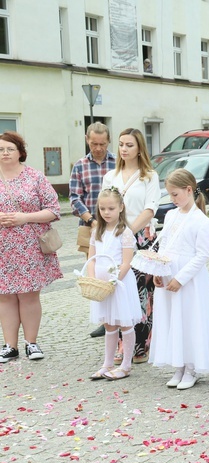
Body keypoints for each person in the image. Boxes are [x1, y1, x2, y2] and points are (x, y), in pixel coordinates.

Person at [148, 169, 209, 389]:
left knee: (190, 318)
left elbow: (202, 256)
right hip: (168, 272)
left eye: (175, 194)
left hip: (189, 280)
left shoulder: (202, 222)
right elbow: (164, 245)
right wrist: (158, 270)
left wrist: (181, 278)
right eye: (170, 195)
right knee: (173, 318)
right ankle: (178, 364)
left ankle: (192, 366)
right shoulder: (171, 215)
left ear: (189, 190)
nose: (172, 200)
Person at [0, 131, 63, 363]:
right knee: (4, 296)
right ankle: (9, 346)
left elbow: (54, 209)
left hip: (29, 248)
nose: (5, 153)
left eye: (9, 149)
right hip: (2, 249)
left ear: (20, 152)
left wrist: (24, 217)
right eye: (1, 149)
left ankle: (31, 343)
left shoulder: (34, 177)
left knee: (28, 296)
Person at [103, 128, 160, 365]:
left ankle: (141, 344)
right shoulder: (110, 176)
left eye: (129, 145)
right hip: (116, 237)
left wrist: (129, 231)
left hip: (141, 236)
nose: (124, 149)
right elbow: (104, 204)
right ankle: (120, 344)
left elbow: (150, 208)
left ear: (139, 149)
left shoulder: (149, 176)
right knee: (118, 289)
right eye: (121, 145)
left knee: (142, 292)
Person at [86, 187, 143, 381]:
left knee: (124, 322)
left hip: (119, 283)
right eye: (102, 209)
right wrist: (93, 279)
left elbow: (127, 261)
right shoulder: (97, 231)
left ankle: (126, 365)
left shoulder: (125, 232)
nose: (106, 212)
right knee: (109, 324)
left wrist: (114, 279)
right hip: (102, 285)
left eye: (111, 208)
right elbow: (92, 258)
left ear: (121, 207)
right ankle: (107, 363)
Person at [69, 122, 116, 338]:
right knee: (95, 273)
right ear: (87, 140)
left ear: (108, 141)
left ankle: (117, 316)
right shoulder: (80, 165)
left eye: (102, 144)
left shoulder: (117, 162)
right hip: (92, 226)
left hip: (116, 226)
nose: (98, 148)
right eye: (94, 143)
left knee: (116, 272)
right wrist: (91, 220)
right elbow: (74, 197)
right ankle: (103, 319)